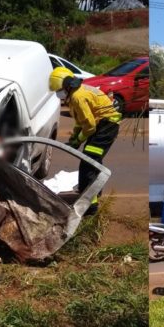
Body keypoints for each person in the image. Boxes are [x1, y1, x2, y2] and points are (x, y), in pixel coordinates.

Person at [49, 66, 121, 216]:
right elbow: (80, 122)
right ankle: (96, 192)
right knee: (94, 161)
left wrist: (79, 141)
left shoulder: (77, 97)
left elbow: (89, 126)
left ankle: (90, 206)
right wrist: (74, 138)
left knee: (88, 164)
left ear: (67, 85)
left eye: (59, 90)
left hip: (106, 126)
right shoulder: (76, 94)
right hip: (104, 124)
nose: (58, 94)